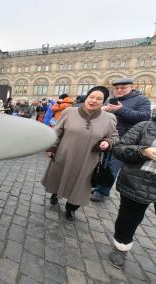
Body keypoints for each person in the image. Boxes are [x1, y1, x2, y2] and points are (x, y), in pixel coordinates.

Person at [42, 86, 119, 221]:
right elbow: (56, 131)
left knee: (81, 185)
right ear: (87, 98)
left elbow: (114, 136)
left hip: (89, 159)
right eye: (91, 97)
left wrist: (107, 142)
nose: (94, 100)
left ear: (103, 102)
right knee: (60, 177)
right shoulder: (69, 112)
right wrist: (51, 148)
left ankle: (71, 208)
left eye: (99, 98)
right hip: (65, 154)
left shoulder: (109, 118)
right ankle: (55, 193)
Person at [108, 109, 156, 269]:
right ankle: (121, 246)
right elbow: (119, 149)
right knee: (129, 219)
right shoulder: (145, 126)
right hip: (138, 183)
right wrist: (143, 151)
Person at [91, 78, 151, 202]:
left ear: (131, 87)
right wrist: (102, 111)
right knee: (102, 164)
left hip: (124, 141)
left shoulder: (142, 100)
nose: (119, 90)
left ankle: (102, 192)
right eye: (116, 88)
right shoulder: (110, 100)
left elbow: (144, 118)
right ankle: (98, 185)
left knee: (112, 167)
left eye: (123, 88)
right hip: (106, 137)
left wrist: (120, 110)